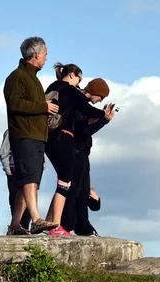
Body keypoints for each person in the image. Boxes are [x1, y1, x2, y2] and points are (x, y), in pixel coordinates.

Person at [43, 64, 114, 236]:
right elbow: (83, 128)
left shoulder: (54, 87)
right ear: (73, 75)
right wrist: (103, 117)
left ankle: (52, 224)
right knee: (69, 187)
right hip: (68, 143)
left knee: (71, 187)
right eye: (79, 79)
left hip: (54, 140)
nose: (80, 84)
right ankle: (61, 225)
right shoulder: (70, 91)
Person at [3, 36, 59, 235]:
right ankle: (36, 219)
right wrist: (43, 106)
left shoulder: (31, 77)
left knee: (26, 181)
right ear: (36, 55)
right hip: (25, 135)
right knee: (30, 178)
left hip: (34, 135)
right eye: (45, 54)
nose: (46, 58)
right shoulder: (18, 77)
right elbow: (15, 104)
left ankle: (15, 225)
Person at [61, 78, 115, 235]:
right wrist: (103, 121)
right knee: (74, 190)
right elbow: (82, 132)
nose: (100, 101)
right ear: (95, 92)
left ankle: (82, 225)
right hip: (76, 150)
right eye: (101, 97)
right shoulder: (79, 104)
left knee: (83, 191)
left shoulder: (82, 105)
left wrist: (98, 119)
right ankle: (68, 224)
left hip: (82, 152)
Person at [0, 129, 31, 232]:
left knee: (28, 202)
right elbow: (4, 151)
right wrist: (8, 171)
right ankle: (16, 228)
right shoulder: (10, 131)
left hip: (29, 172)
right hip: (14, 171)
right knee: (14, 200)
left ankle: (25, 228)